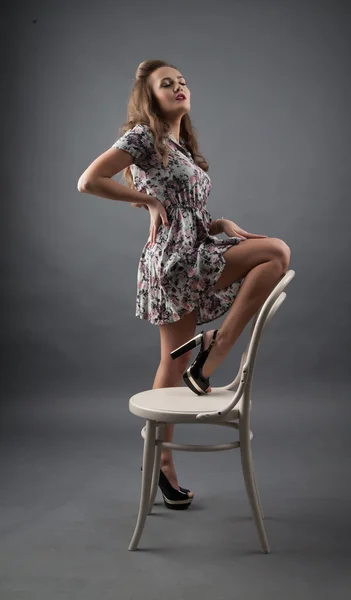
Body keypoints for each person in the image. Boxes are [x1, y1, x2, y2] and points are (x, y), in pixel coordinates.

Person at [77, 59, 291, 509]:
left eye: (182, 82)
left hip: (190, 250)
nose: (179, 88)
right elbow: (89, 180)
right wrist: (147, 199)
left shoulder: (181, 146)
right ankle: (215, 353)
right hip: (173, 261)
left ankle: (161, 464)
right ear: (150, 96)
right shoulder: (143, 137)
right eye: (166, 84)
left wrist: (219, 223)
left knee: (170, 363)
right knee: (275, 252)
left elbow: (187, 215)